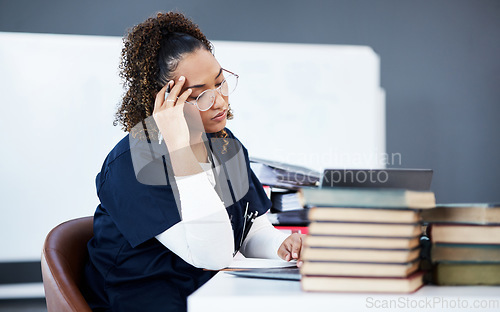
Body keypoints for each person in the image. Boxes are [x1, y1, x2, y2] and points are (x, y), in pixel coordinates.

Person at [83, 11, 305, 312]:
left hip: (209, 295)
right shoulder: (132, 165)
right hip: (147, 301)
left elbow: (251, 227)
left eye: (221, 83)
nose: (221, 101)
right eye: (201, 96)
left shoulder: (224, 144)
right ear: (164, 101)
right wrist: (180, 148)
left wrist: (280, 247)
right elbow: (213, 255)